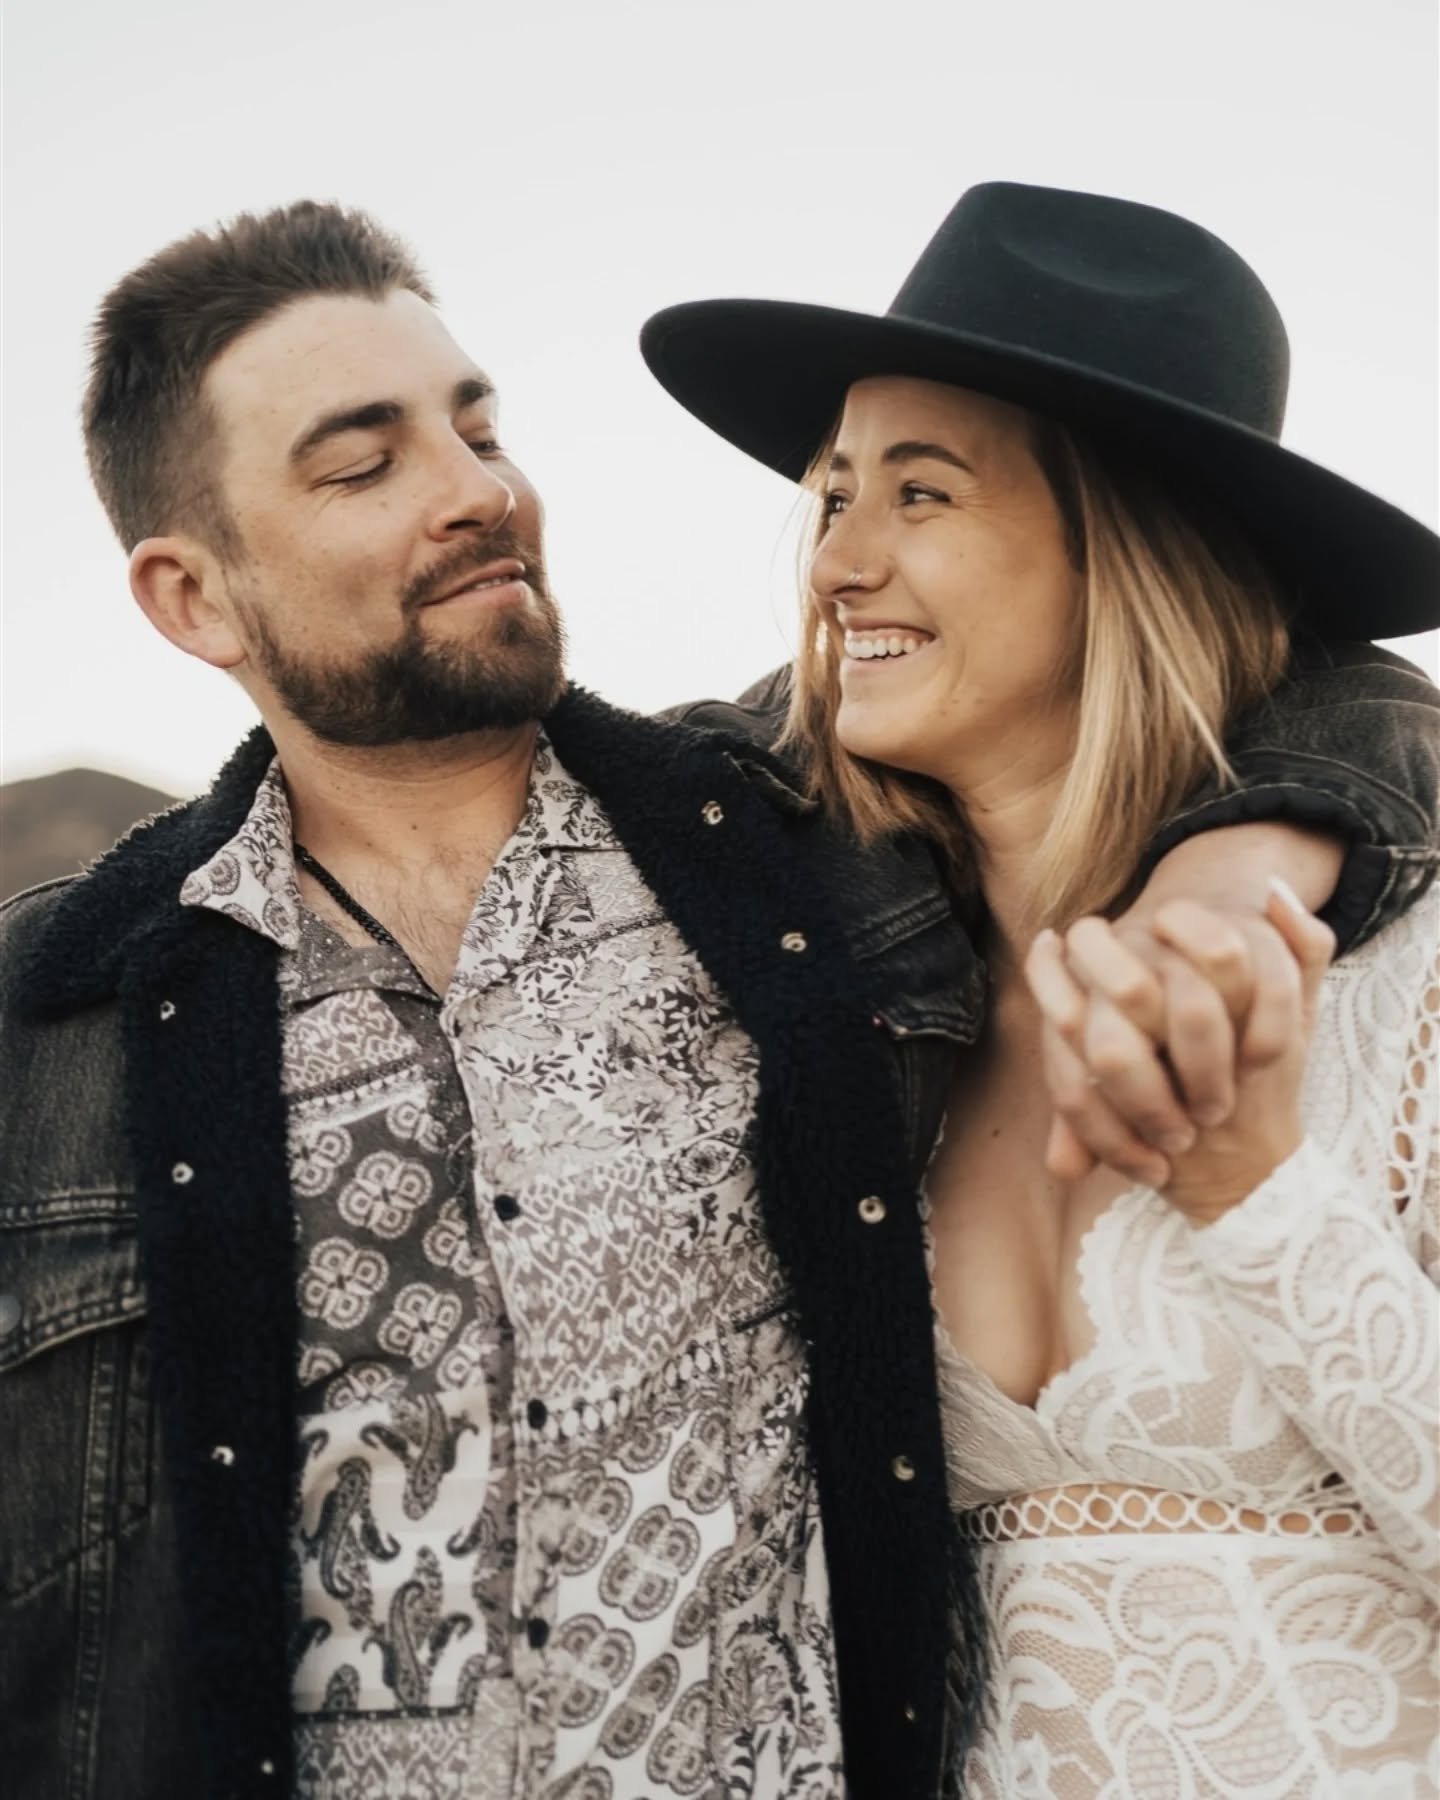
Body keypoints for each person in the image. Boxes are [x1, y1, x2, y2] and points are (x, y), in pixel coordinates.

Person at [0, 207, 1431, 1800]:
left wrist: (1249, 860)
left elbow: (1276, 677)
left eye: (480, 428)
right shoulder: (56, 1020)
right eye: (364, 463)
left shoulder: (791, 894)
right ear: (192, 598)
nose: (478, 490)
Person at [641, 180, 1440, 1794]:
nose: (837, 566)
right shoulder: (862, 1006)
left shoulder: (1404, 985)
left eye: (920, 496)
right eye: (833, 495)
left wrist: (1256, 1193)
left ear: (1127, 551)